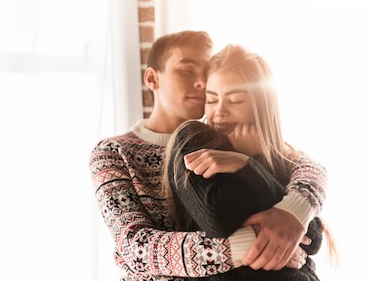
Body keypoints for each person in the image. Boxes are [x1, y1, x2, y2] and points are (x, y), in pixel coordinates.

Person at [89, 31, 328, 280]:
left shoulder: (232, 137)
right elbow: (136, 249)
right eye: (186, 71)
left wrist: (293, 211)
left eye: (206, 73)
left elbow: (311, 170)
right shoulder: (113, 153)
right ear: (152, 78)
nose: (202, 83)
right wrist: (261, 244)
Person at [162, 44, 337, 280]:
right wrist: (249, 168)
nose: (220, 111)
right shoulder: (194, 139)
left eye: (235, 101)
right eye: (212, 100)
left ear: (260, 105)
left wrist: (249, 162)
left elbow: (312, 237)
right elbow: (219, 217)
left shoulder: (281, 157)